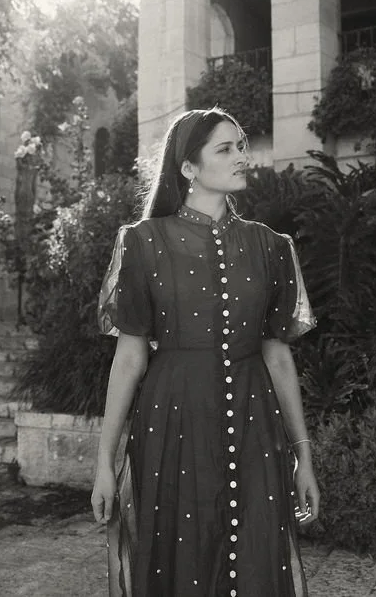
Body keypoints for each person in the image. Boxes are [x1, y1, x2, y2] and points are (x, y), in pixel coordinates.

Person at [91, 107, 321, 597]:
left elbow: (278, 356)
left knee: (258, 560)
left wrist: (304, 456)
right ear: (189, 168)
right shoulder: (143, 243)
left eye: (241, 145)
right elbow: (129, 358)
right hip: (170, 425)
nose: (243, 156)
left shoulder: (270, 247)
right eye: (226, 148)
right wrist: (104, 463)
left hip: (255, 424)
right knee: (178, 560)